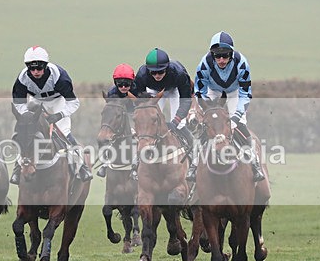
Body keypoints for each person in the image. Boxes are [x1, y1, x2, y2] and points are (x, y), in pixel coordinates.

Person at [10, 45, 92, 184]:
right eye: (32, 68)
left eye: (39, 68)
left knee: (65, 132)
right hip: (36, 102)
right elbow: (18, 103)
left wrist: (59, 115)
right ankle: (17, 168)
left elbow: (74, 103)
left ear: (45, 66)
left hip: (58, 102)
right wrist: (26, 116)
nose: (35, 72)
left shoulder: (60, 77)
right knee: (26, 134)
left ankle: (82, 166)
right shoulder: (22, 78)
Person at [194, 31, 265, 182]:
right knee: (205, 126)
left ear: (231, 54)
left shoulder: (242, 63)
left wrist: (236, 116)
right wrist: (207, 109)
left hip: (234, 92)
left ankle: (254, 163)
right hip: (212, 91)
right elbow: (200, 92)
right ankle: (193, 165)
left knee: (240, 125)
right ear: (212, 55)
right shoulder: (204, 64)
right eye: (217, 56)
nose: (221, 60)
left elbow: (245, 94)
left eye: (225, 56)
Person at [131, 48, 194, 180]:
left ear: (167, 67)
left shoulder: (179, 73)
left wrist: (175, 121)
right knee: (148, 123)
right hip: (153, 92)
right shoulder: (142, 75)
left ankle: (194, 159)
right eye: (153, 72)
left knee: (180, 125)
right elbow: (140, 103)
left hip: (174, 90)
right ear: (148, 70)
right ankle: (136, 162)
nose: (157, 75)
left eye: (161, 71)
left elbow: (186, 100)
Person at [97, 63, 138, 178]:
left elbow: (140, 111)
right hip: (120, 120)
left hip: (136, 115)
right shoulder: (112, 93)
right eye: (120, 84)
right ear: (115, 83)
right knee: (106, 136)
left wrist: (135, 126)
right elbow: (111, 114)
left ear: (132, 83)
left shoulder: (138, 91)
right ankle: (105, 162)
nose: (124, 87)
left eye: (127, 84)